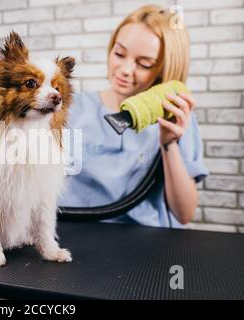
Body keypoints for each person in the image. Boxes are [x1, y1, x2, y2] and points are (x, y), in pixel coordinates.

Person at [58, 5, 209, 228]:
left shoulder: (178, 119)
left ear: (163, 70)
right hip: (78, 236)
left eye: (144, 63)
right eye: (119, 53)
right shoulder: (69, 109)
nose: (125, 69)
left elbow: (183, 214)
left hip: (148, 246)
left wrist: (169, 145)